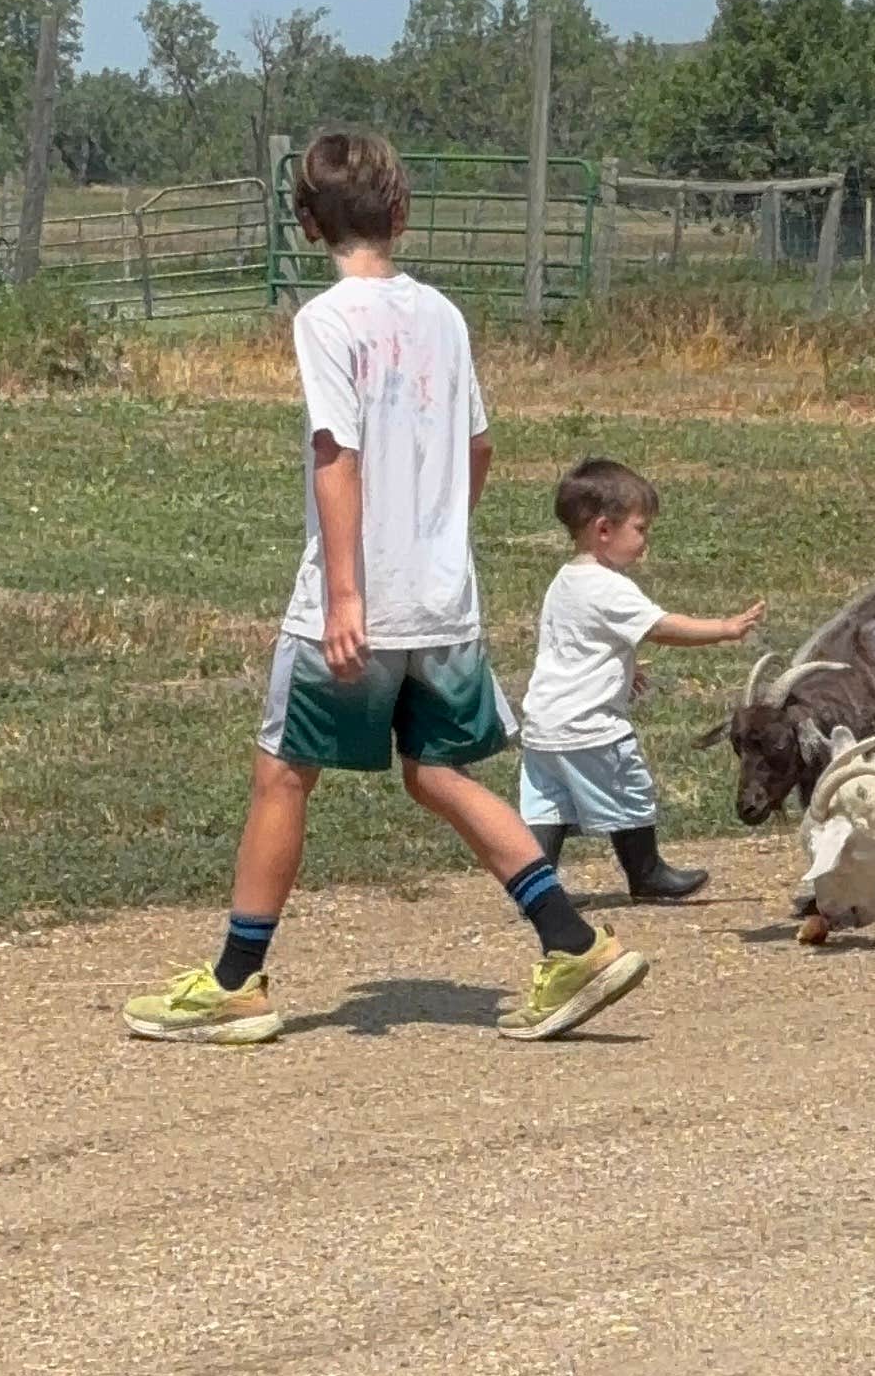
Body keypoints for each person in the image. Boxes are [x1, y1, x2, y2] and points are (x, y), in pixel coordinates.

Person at [123, 132, 649, 1047]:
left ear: (307, 223)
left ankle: (236, 983)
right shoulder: (443, 314)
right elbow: (479, 448)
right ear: (401, 214)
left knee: (284, 771)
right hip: (445, 597)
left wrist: (345, 596)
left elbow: (338, 456)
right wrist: (440, 535)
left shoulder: (326, 320)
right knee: (437, 771)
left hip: (360, 595)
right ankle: (573, 943)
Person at [518, 458, 764, 900]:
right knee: (631, 790)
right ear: (604, 530)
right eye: (641, 528)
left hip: (543, 725)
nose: (646, 540)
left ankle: (536, 890)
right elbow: (663, 627)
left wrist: (625, 670)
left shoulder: (565, 579)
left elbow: (576, 645)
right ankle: (647, 874)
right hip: (590, 726)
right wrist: (725, 628)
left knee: (548, 806)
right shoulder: (607, 586)